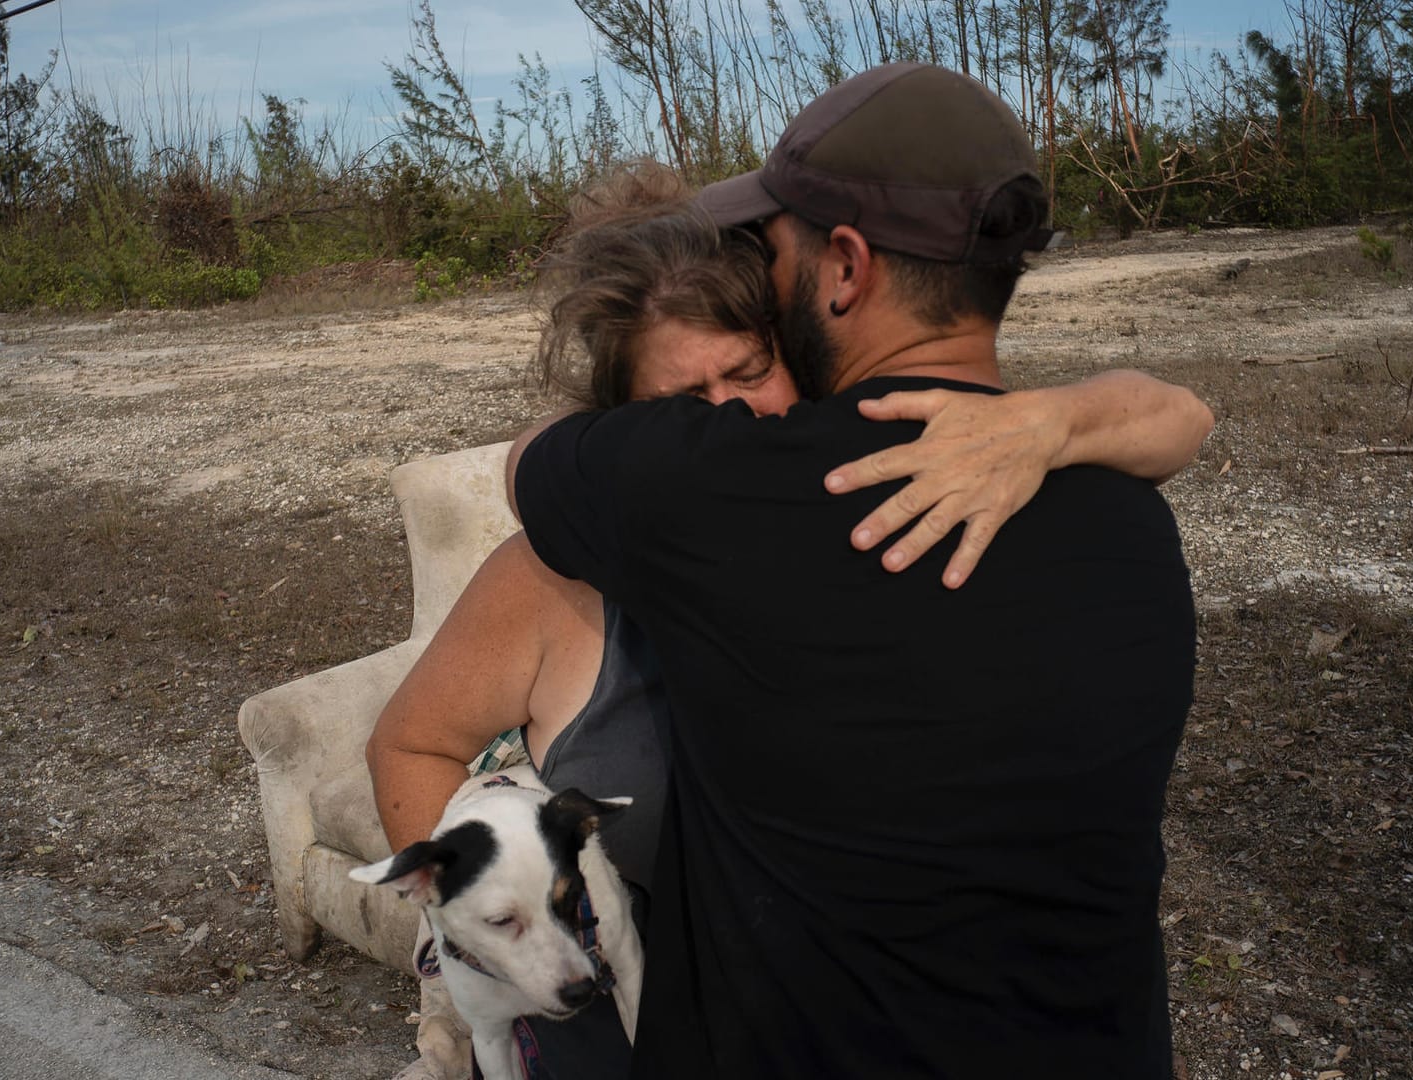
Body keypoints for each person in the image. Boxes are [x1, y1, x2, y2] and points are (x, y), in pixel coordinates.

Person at [374, 160, 1210, 1077]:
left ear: (797, 350)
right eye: (682, 404)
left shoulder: (892, 509)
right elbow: (410, 745)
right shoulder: (549, 582)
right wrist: (480, 932)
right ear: (618, 432)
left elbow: (1180, 417)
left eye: (749, 370)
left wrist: (1054, 420)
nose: (728, 418)